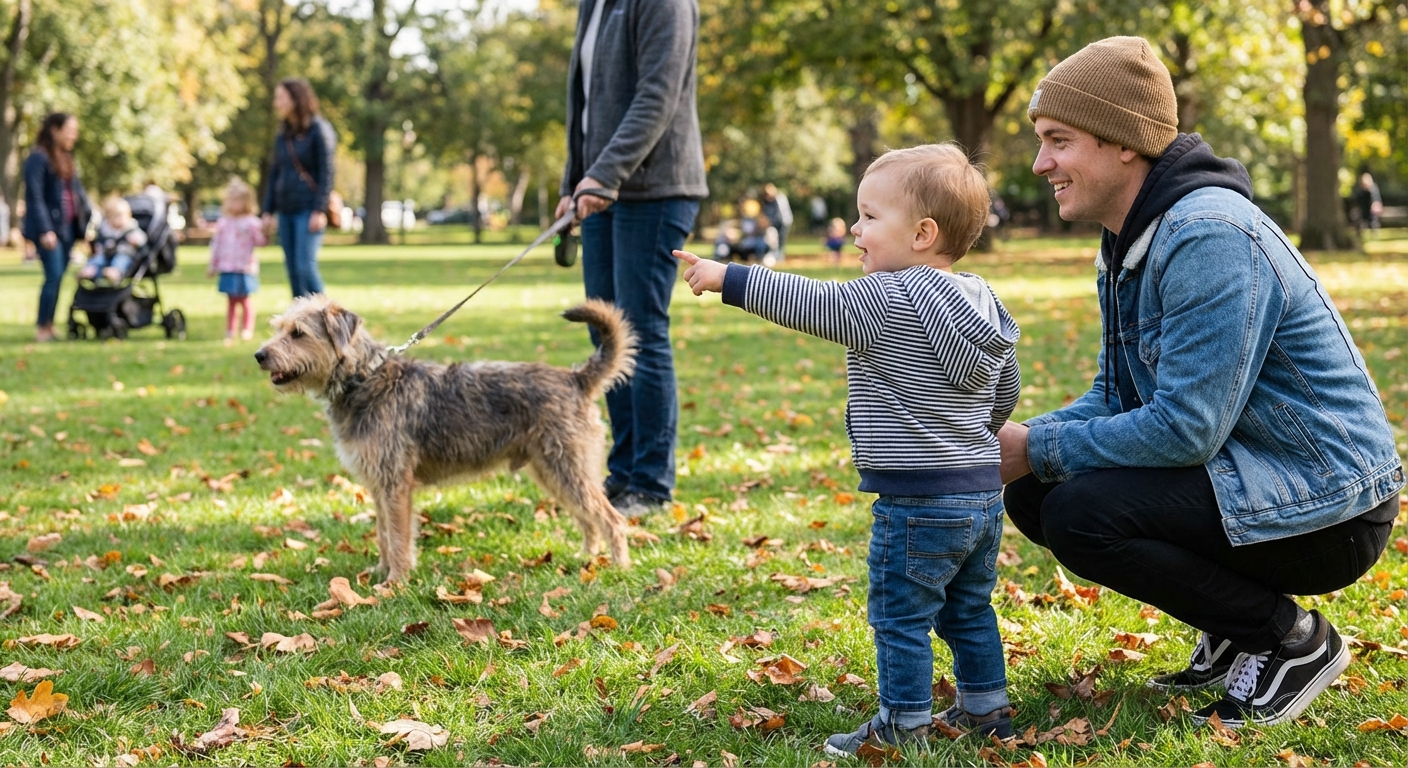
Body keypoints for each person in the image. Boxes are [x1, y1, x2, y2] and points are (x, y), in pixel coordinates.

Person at [1002, 36, 1403, 730]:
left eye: (1058, 141)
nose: (1042, 164)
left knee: (1078, 510)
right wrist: (1020, 441)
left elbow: (1185, 429)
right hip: (1252, 474)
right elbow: (1118, 396)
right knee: (1038, 493)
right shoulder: (1132, 236)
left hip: (1328, 505)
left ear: (1122, 142)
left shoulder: (1207, 234)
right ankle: (1232, 631)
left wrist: (1037, 448)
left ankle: (1288, 641)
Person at [676, 143, 1022, 755]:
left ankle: (905, 722)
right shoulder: (983, 297)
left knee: (901, 617)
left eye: (868, 217)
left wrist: (726, 276)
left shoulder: (889, 298)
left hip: (914, 501)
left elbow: (809, 302)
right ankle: (987, 707)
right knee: (969, 608)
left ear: (921, 233)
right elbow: (1006, 389)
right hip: (980, 495)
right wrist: (977, 435)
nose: (855, 230)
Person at [556, 0, 709, 516]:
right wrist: (572, 184)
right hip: (600, 188)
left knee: (640, 327)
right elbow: (582, 105)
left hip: (655, 186)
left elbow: (656, 95)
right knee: (605, 333)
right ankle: (621, 475)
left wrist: (606, 173)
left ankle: (650, 481)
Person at [262, 77, 335, 298]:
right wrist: (267, 210)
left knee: (305, 267)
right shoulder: (283, 134)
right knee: (293, 271)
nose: (276, 103)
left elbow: (327, 172)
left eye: (281, 98)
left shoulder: (319, 130)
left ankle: (330, 321)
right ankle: (299, 328)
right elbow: (275, 173)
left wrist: (319, 209)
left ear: (296, 99)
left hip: (308, 208)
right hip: (286, 209)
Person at [23, 112, 92, 342]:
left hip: (67, 229)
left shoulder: (67, 158)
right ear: (55, 129)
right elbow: (35, 196)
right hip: (50, 230)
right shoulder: (39, 158)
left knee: (59, 276)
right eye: (70, 130)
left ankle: (50, 325)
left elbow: (77, 195)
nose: (74, 135)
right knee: (52, 275)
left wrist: (84, 229)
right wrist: (45, 230)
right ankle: (42, 326)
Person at [208, 179, 266, 344]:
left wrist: (267, 231)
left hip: (244, 267)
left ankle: (247, 328)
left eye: (237, 200)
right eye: (231, 200)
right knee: (231, 300)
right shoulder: (224, 223)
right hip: (227, 267)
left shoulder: (252, 222)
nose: (233, 204)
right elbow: (216, 245)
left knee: (245, 300)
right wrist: (213, 265)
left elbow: (260, 242)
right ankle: (230, 330)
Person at [78, 196, 146, 284]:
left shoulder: (131, 228)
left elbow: (142, 240)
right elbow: (99, 241)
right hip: (106, 254)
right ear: (109, 219)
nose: (119, 220)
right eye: (115, 217)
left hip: (123, 253)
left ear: (129, 216)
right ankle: (90, 270)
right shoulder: (105, 230)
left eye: (122, 216)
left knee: (121, 259)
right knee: (98, 259)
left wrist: (136, 242)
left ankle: (115, 272)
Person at [761, 183, 793, 260]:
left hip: (783, 222)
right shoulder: (767, 202)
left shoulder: (779, 198)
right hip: (774, 223)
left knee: (781, 240)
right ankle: (775, 255)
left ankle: (780, 257)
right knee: (773, 240)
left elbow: (781, 213)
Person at [1353, 171, 1383, 236]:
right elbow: (1357, 200)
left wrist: (1376, 206)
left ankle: (1375, 233)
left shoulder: (1373, 189)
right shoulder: (1360, 190)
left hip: (1371, 210)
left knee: (1373, 217)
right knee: (1355, 216)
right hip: (1362, 209)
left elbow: (1377, 200)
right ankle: (1359, 234)